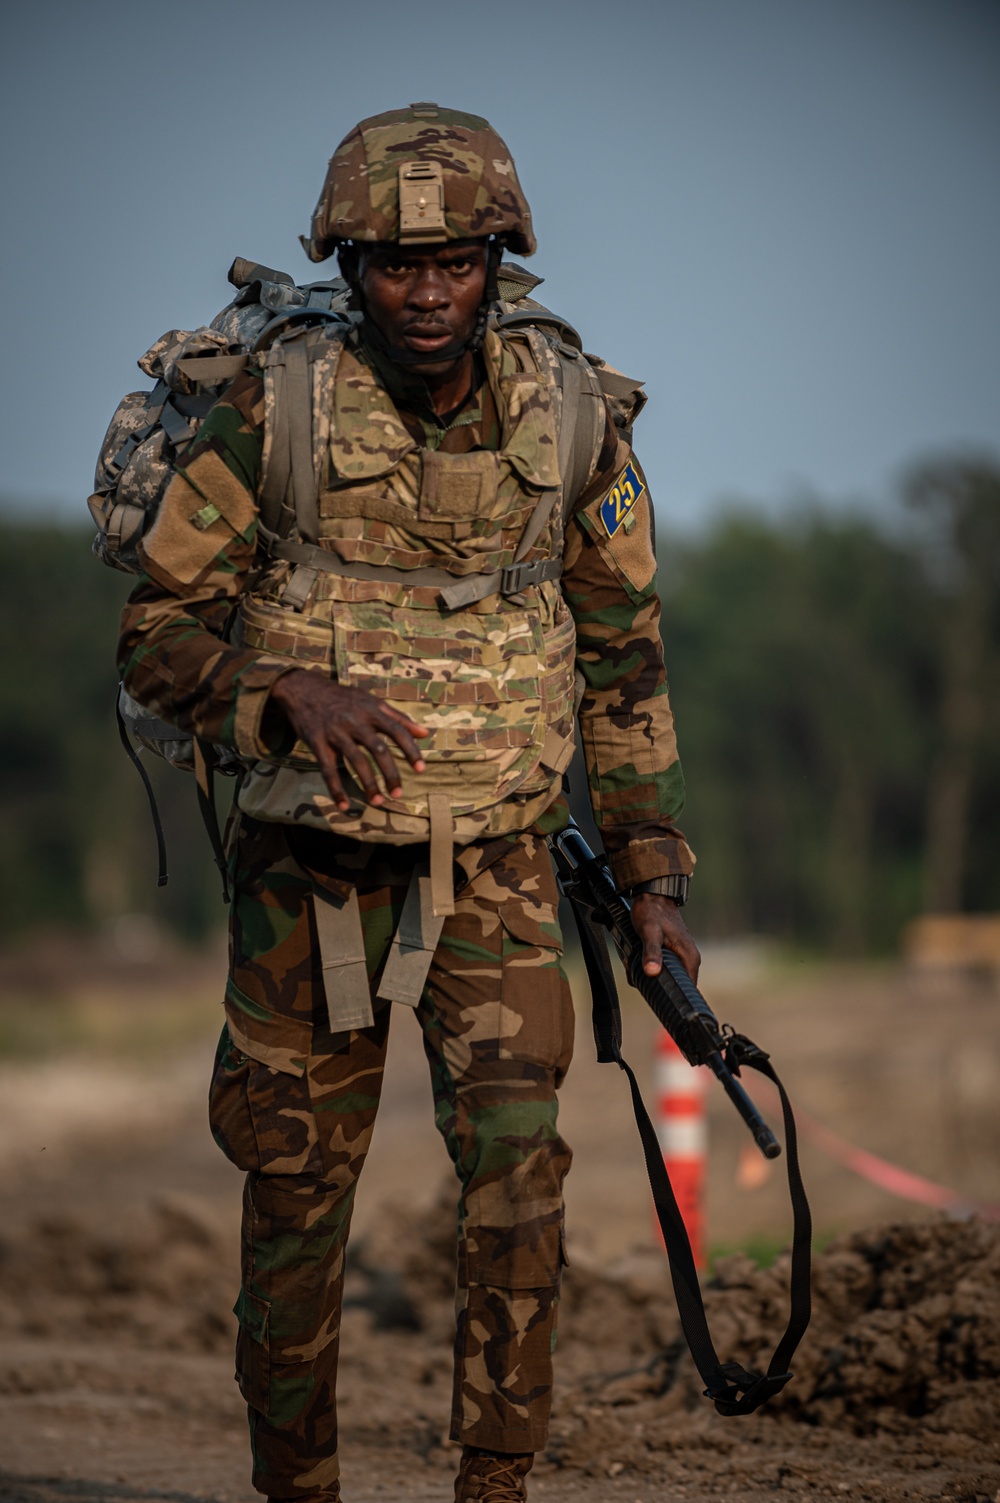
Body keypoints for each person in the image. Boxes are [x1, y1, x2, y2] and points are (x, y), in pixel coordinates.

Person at [117, 103, 699, 1503]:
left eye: (456, 263)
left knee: (519, 1185)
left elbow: (622, 655)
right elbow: (153, 634)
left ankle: (493, 1488)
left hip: (496, 863)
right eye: (391, 264)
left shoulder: (571, 424)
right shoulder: (281, 410)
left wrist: (652, 872)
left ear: (503, 261)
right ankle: (295, 1489)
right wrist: (280, 694)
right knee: (298, 1195)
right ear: (350, 263)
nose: (425, 293)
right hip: (308, 873)